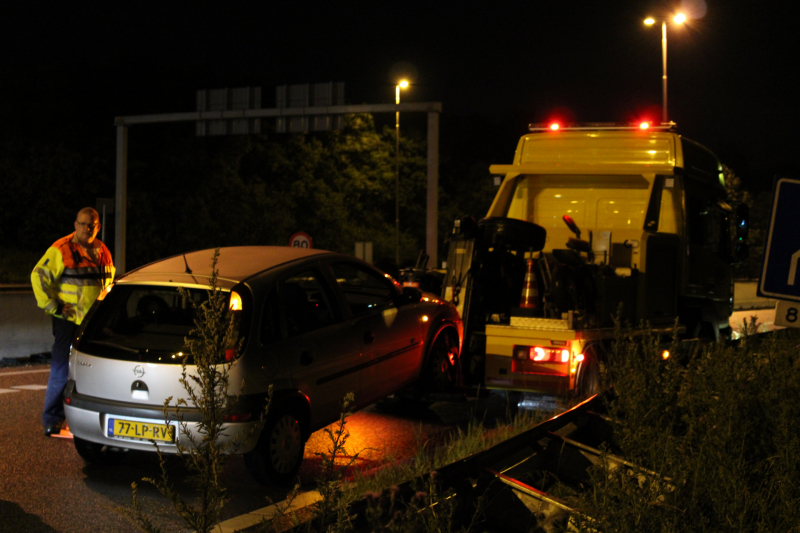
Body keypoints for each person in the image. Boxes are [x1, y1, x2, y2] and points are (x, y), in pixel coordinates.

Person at [31, 207, 115, 436]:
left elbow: (108, 284)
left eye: (92, 225)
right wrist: (53, 307)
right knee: (61, 370)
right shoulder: (61, 249)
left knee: (95, 371)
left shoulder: (103, 251)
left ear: (98, 227)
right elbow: (38, 276)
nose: (87, 229)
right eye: (82, 224)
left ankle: (92, 419)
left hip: (93, 323)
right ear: (75, 224)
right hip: (68, 320)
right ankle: (52, 419)